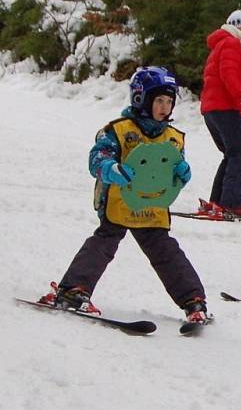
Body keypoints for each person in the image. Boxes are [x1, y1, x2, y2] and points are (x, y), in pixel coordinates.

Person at [38, 67, 209, 323]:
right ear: (141, 99)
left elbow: (171, 171)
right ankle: (73, 290)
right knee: (103, 244)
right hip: (119, 204)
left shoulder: (173, 138)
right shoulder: (118, 130)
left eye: (169, 101)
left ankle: (193, 301)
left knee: (166, 253)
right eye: (159, 100)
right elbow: (97, 158)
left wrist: (182, 173)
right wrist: (110, 168)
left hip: (152, 207)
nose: (165, 107)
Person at [199, 9, 241, 220]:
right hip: (224, 107)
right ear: (239, 27)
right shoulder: (231, 43)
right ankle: (232, 202)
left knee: (232, 154)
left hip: (212, 109)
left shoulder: (221, 44)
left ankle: (218, 201)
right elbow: (228, 74)